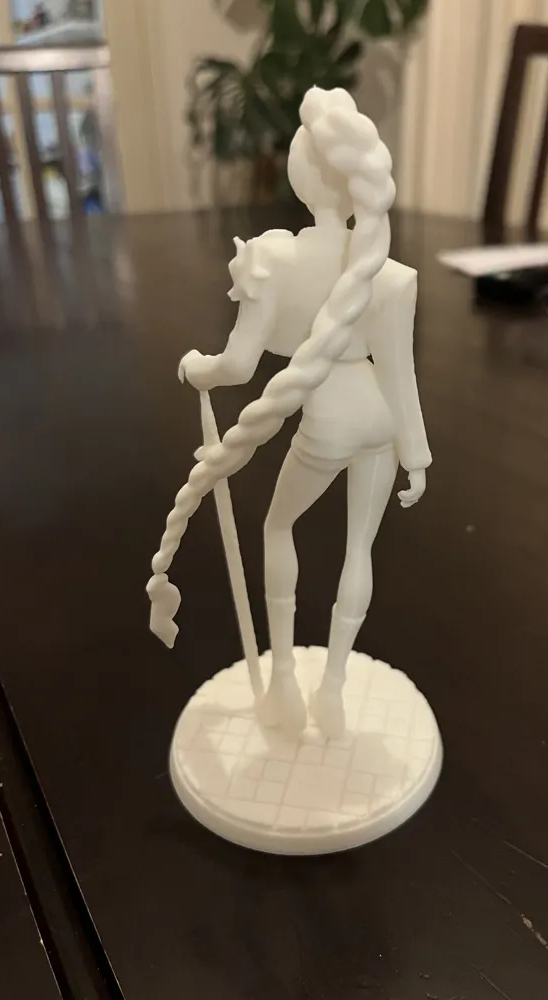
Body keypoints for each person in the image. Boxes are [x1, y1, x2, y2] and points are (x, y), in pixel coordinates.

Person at [147, 87, 431, 739]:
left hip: (328, 419)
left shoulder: (274, 259)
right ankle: (332, 686)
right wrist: (416, 455)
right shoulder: (391, 274)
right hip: (379, 420)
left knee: (279, 527)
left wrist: (198, 368)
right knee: (360, 548)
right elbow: (399, 371)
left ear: (301, 178)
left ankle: (282, 680)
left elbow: (238, 366)